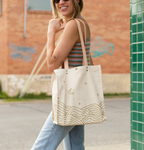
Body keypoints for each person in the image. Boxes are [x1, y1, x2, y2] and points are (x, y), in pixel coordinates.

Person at [31, 0, 93, 149]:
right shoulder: (82, 22)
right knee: (75, 146)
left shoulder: (73, 25)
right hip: (79, 95)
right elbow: (88, 58)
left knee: (41, 146)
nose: (61, 2)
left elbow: (52, 64)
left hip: (70, 98)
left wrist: (50, 32)